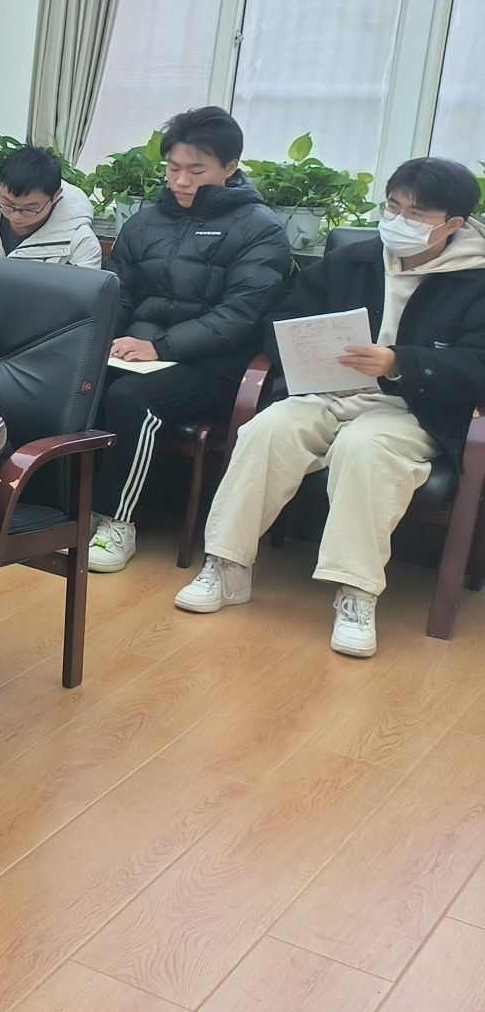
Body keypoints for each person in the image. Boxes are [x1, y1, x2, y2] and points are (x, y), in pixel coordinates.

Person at [176, 159, 485, 657]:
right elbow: (281, 319)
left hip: (412, 410)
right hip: (328, 394)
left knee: (365, 448)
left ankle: (357, 593)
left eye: (416, 214)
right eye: (392, 207)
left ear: (453, 224)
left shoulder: (477, 281)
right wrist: (311, 364)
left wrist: (399, 363)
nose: (398, 221)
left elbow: (478, 366)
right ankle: (227, 567)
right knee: (268, 429)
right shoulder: (353, 261)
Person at [88, 106, 291, 573]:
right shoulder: (145, 222)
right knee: (70, 380)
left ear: (230, 167)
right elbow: (117, 294)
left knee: (133, 398)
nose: (181, 181)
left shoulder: (260, 228)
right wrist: (102, 340)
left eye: (196, 171)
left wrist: (162, 347)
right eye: (173, 168)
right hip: (139, 351)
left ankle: (116, 523)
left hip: (215, 363)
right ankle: (58, 509)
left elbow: (240, 315)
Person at [0, 144, 102, 268]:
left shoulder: (81, 244)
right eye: (7, 203)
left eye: (29, 209)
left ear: (56, 197)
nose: (15, 216)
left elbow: (82, 295)